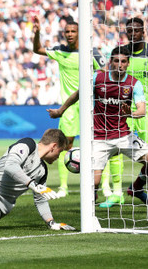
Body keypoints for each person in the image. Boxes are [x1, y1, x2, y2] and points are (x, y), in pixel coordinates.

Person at [32, 15, 122, 200]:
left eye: (73, 31)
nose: (70, 34)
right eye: (67, 32)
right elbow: (37, 49)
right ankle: (63, 187)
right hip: (69, 108)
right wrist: (37, 33)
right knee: (66, 145)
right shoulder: (60, 51)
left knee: (99, 145)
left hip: (92, 106)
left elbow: (105, 74)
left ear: (80, 33)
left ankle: (105, 186)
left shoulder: (92, 52)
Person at [48, 46, 148, 203]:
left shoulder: (134, 84)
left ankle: (137, 187)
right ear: (110, 62)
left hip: (123, 135)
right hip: (99, 138)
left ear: (128, 63)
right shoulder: (98, 78)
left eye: (123, 61)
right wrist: (61, 111)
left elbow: (142, 110)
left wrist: (130, 114)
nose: (119, 64)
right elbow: (77, 95)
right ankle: (91, 213)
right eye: (116, 61)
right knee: (93, 184)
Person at [124, 17, 148, 203]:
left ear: (143, 32)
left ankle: (137, 187)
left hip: (145, 111)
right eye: (129, 31)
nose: (133, 34)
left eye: (136, 30)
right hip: (125, 111)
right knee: (114, 151)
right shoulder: (121, 55)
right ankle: (114, 191)